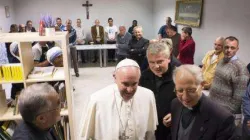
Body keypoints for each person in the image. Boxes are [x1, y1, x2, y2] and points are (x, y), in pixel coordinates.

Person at [80, 59, 158, 140]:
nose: (130, 90)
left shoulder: (148, 96)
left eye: (134, 84)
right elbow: (88, 137)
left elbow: (150, 132)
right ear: (115, 77)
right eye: (125, 84)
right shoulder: (97, 99)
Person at [171, 64, 237, 140]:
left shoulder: (222, 118)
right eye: (180, 90)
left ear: (202, 85)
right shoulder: (175, 104)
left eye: (191, 90)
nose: (185, 97)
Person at [140, 42, 176, 140]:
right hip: (148, 128)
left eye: (160, 61)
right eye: (152, 62)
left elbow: (191, 103)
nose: (156, 66)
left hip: (169, 130)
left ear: (169, 58)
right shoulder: (142, 77)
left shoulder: (179, 77)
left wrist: (176, 114)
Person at [210, 36, 249, 114]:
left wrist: (227, 113)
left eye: (232, 48)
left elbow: (239, 97)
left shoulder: (240, 68)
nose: (229, 50)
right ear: (223, 47)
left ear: (237, 49)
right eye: (226, 47)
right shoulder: (221, 61)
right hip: (212, 106)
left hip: (223, 112)